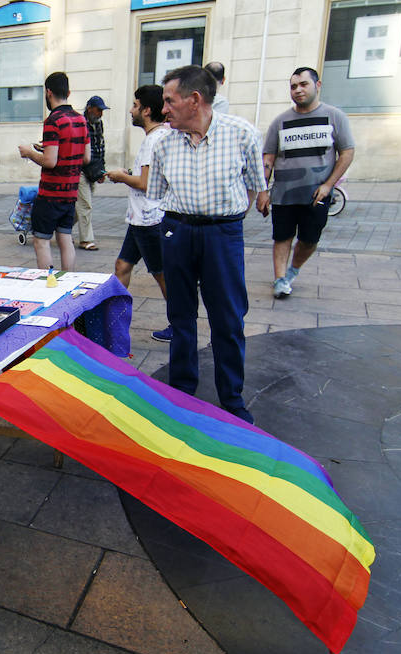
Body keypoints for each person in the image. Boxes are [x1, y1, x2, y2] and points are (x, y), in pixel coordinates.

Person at [148, 65, 267, 424]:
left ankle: (232, 400)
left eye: (169, 101)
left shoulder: (242, 134)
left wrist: (224, 220)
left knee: (228, 319)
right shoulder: (164, 142)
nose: (163, 108)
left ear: (194, 100)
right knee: (180, 317)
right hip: (177, 232)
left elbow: (254, 185)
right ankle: (182, 395)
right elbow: (156, 194)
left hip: (223, 235)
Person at [257, 67, 355, 299]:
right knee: (281, 237)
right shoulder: (280, 121)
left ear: (317, 86)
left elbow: (347, 153)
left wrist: (329, 185)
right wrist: (263, 190)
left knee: (309, 239)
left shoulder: (334, 116)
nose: (298, 90)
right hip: (284, 193)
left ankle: (293, 270)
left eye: (303, 84)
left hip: (316, 194)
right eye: (293, 86)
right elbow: (268, 157)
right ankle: (280, 279)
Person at [106, 85, 173, 341]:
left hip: (148, 219)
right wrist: (127, 175)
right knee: (122, 265)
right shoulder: (160, 136)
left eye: (135, 106)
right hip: (140, 219)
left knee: (162, 276)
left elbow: (145, 183)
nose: (131, 110)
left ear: (146, 110)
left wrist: (122, 177)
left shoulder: (153, 139)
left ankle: (180, 323)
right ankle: (113, 320)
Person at [18, 72, 90, 272]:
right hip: (70, 194)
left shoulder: (53, 120)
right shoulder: (81, 120)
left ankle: (48, 285)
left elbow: (50, 161)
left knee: (41, 241)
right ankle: (67, 285)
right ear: (68, 92)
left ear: (48, 92)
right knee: (65, 239)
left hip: (50, 195)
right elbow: (86, 158)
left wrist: (30, 153)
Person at [74, 95, 108, 251]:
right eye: (99, 110)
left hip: (93, 169)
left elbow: (101, 147)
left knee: (80, 206)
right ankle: (86, 240)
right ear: (89, 108)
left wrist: (102, 170)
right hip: (80, 169)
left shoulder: (98, 124)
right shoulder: (80, 123)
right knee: (85, 204)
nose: (101, 113)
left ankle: (61, 227)